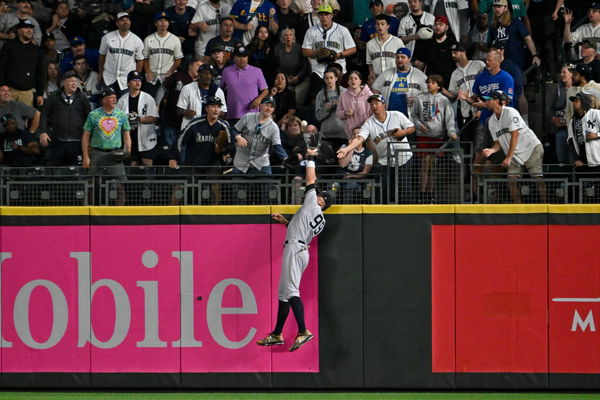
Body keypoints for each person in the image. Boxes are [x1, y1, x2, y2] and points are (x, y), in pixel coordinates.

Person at [257, 147, 332, 351]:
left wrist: (310, 157)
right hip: (300, 249)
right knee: (284, 294)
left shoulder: (313, 204)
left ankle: (303, 331)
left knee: (291, 292)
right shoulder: (319, 217)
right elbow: (300, 229)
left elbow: (310, 178)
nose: (317, 195)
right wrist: (285, 221)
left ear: (322, 201)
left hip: (295, 249)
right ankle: (277, 334)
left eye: (320, 195)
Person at [337, 94, 415, 203]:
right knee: (384, 191)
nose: (374, 106)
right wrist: (346, 149)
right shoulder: (369, 123)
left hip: (404, 158)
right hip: (385, 160)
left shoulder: (396, 115)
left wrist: (404, 132)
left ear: (384, 105)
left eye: (376, 103)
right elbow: (360, 138)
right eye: (371, 104)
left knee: (404, 189)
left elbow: (411, 128)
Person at [481, 90, 546, 204]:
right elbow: (498, 143)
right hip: (514, 154)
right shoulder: (491, 122)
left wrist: (508, 158)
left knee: (537, 178)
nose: (486, 102)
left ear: (496, 101)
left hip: (531, 148)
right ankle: (519, 209)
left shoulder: (510, 112)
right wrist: (491, 150)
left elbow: (515, 135)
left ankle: (546, 207)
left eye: (488, 99)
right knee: (511, 181)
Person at [411, 74, 458, 202]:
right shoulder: (419, 98)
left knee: (433, 166)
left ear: (438, 85)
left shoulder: (444, 100)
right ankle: (421, 193)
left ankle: (429, 194)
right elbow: (414, 115)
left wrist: (451, 132)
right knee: (424, 164)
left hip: (437, 137)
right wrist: (419, 125)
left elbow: (449, 119)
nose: (429, 85)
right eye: (428, 82)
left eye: (432, 83)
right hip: (423, 137)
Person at [82, 87, 131, 206]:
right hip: (97, 153)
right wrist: (85, 156)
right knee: (93, 184)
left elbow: (126, 134)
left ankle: (119, 211)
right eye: (111, 97)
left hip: (115, 154)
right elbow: (85, 136)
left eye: (115, 97)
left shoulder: (121, 115)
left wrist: (128, 150)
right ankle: (90, 210)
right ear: (104, 100)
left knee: (120, 184)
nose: (114, 100)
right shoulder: (93, 115)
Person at [301, 4, 356, 99]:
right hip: (318, 70)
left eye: (327, 14)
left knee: (342, 97)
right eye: (321, 14)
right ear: (318, 16)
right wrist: (316, 54)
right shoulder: (311, 31)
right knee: (315, 98)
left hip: (338, 69)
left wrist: (339, 54)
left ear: (332, 15)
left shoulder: (342, 30)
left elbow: (353, 49)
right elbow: (305, 51)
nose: (324, 17)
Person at [40, 70, 91, 166]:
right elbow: (44, 114)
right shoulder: (53, 97)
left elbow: (89, 117)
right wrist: (43, 132)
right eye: (71, 81)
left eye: (76, 81)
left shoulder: (82, 97)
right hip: (58, 141)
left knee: (76, 170)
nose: (74, 83)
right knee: (56, 170)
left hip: (77, 141)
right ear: (64, 82)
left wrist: (89, 136)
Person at [169, 96, 230, 176]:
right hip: (193, 163)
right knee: (189, 187)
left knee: (216, 184)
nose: (216, 109)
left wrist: (225, 151)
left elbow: (230, 144)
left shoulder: (224, 126)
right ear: (207, 108)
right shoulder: (195, 124)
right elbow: (179, 140)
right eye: (213, 106)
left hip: (213, 164)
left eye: (218, 107)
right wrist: (174, 157)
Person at [232, 96, 288, 174]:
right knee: (237, 185)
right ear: (260, 105)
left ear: (273, 110)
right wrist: (237, 137)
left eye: (272, 107)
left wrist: (286, 158)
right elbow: (233, 130)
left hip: (261, 163)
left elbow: (277, 146)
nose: (269, 108)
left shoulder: (274, 127)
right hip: (241, 162)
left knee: (268, 185)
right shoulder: (248, 117)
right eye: (267, 105)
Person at [444, 43, 485, 144]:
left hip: (481, 106)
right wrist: (442, 90)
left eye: (455, 52)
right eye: (452, 53)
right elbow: (453, 96)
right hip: (465, 111)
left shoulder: (478, 64)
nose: (453, 55)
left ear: (463, 52)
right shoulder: (455, 73)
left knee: (482, 139)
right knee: (467, 140)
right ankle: (467, 160)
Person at [117, 71, 159, 166]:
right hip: (130, 137)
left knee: (147, 164)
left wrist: (139, 119)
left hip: (146, 136)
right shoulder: (122, 100)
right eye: (134, 80)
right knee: (132, 166)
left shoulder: (148, 98)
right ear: (128, 83)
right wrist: (127, 121)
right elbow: (117, 119)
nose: (138, 82)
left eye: (139, 80)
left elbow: (155, 118)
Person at [372, 47, 427, 120]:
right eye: (397, 57)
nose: (399, 59)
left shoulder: (420, 75)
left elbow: (429, 94)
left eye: (403, 57)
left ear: (409, 59)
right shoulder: (386, 73)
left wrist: (417, 99)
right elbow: (375, 88)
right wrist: (380, 102)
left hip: (411, 117)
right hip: (389, 116)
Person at [0, 19, 46, 107]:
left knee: (24, 120)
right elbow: (1, 67)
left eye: (31, 28)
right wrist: (1, 85)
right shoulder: (9, 46)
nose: (29, 30)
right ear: (18, 30)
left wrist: (40, 93)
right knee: (6, 118)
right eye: (26, 28)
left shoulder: (36, 49)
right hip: (9, 90)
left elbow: (40, 72)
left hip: (27, 92)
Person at [219, 45, 268, 123]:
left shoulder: (257, 71)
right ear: (234, 58)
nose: (242, 59)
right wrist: (221, 108)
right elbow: (219, 91)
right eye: (239, 56)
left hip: (252, 114)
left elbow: (265, 90)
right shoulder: (226, 71)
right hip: (232, 114)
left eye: (244, 56)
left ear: (247, 58)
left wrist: (259, 99)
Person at [98, 12, 145, 94]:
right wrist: (100, 73)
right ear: (117, 23)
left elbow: (140, 60)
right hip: (109, 77)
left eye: (127, 19)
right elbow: (102, 56)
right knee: (108, 103)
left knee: (124, 105)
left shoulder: (137, 40)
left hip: (126, 80)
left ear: (130, 22)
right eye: (122, 20)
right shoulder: (107, 38)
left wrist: (135, 77)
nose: (125, 22)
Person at [488, 0, 541, 72]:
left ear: (506, 8)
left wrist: (535, 55)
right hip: (500, 66)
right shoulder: (493, 27)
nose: (497, 9)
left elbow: (528, 38)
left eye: (499, 6)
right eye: (495, 7)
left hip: (517, 64)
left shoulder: (515, 22)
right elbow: (491, 47)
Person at [162, 56, 204, 146]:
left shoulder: (202, 83)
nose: (199, 68)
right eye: (197, 65)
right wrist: (160, 102)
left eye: (201, 66)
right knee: (170, 149)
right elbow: (164, 87)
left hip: (189, 123)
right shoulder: (178, 76)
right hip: (171, 119)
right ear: (190, 66)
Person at [142, 11, 184, 98]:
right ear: (156, 23)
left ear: (169, 23)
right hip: (152, 77)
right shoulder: (148, 39)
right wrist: (148, 71)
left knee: (167, 105)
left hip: (168, 77)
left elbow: (178, 59)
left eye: (166, 21)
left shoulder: (175, 39)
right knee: (149, 102)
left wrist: (171, 71)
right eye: (160, 20)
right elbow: (145, 58)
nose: (163, 23)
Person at [178, 63, 228, 129]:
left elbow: (224, 111)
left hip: (211, 128)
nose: (208, 76)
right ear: (199, 74)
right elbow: (179, 110)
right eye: (205, 73)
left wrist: (214, 113)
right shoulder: (187, 88)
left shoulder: (218, 91)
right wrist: (186, 112)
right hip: (191, 127)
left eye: (210, 74)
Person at [412, 15, 456, 88]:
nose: (438, 27)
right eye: (436, 24)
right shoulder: (427, 44)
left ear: (447, 27)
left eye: (441, 24)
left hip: (449, 83)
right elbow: (421, 65)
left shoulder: (453, 44)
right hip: (431, 84)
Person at [274, 27, 310, 106]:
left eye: (290, 35)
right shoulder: (277, 49)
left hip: (301, 79)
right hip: (286, 79)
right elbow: (277, 66)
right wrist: (285, 79)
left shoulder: (299, 48)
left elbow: (305, 65)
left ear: (293, 37)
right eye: (286, 35)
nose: (288, 37)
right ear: (282, 38)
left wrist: (298, 77)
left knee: (297, 98)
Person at [337, 126, 373, 203]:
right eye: (354, 134)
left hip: (357, 180)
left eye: (358, 134)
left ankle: (347, 209)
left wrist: (351, 176)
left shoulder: (368, 153)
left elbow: (365, 172)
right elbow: (342, 164)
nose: (356, 136)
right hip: (342, 178)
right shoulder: (344, 147)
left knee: (351, 185)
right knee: (332, 186)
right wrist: (352, 148)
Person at [366, 14, 404, 83]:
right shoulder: (370, 44)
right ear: (375, 26)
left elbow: (404, 61)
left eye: (382, 24)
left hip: (395, 79)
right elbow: (370, 64)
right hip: (378, 80)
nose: (380, 26)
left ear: (388, 26)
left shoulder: (397, 41)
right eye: (378, 24)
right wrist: (371, 74)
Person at [336, 70, 373, 140]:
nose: (353, 80)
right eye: (351, 78)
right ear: (348, 82)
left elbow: (374, 112)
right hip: (351, 132)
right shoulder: (343, 95)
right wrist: (345, 113)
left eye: (356, 78)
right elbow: (338, 113)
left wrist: (368, 121)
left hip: (367, 129)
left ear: (360, 81)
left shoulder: (369, 94)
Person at [314, 69, 346, 150]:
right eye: (327, 78)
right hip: (326, 135)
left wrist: (340, 104)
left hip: (343, 134)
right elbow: (318, 116)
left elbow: (350, 111)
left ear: (336, 78)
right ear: (324, 80)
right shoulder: (320, 94)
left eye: (331, 77)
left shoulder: (344, 92)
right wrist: (326, 108)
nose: (329, 80)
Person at [550, 65, 573, 164]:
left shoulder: (577, 88)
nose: (562, 75)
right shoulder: (559, 89)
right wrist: (553, 119)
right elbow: (551, 108)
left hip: (573, 127)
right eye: (561, 73)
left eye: (565, 72)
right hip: (560, 128)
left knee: (573, 156)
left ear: (571, 74)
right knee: (561, 157)